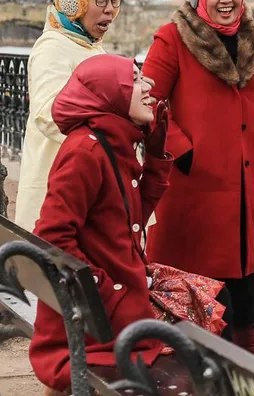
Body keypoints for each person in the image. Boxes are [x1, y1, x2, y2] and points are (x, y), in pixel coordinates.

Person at [29, 55, 229, 395]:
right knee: (211, 343)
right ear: (110, 93)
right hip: (100, 316)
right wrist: (106, 291)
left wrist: (154, 154)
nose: (148, 86)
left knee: (211, 306)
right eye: (135, 79)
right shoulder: (86, 153)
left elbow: (132, 218)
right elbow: (51, 238)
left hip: (112, 300)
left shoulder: (111, 144)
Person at [142, 0, 254, 358]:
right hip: (196, 181)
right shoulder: (172, 37)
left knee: (249, 269)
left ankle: (249, 349)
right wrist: (180, 149)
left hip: (248, 177)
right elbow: (148, 101)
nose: (225, 0)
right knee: (201, 268)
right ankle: (203, 349)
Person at [16, 0, 121, 231]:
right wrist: (114, 131)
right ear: (71, 1)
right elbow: (49, 114)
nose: (110, 10)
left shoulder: (90, 46)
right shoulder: (52, 47)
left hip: (86, 186)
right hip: (58, 189)